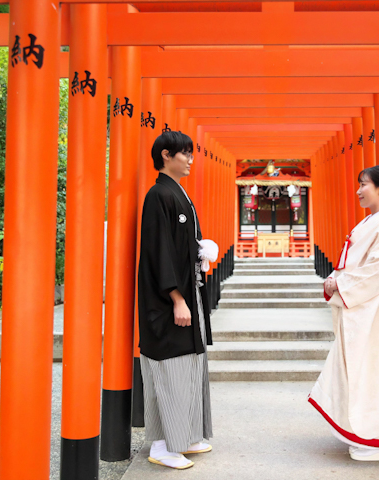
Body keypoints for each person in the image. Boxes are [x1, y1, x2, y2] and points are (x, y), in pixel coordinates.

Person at [308, 165, 379, 462]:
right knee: (364, 371)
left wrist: (339, 284)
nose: (358, 190)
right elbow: (360, 267)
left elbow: (377, 270)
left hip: (374, 314)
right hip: (366, 308)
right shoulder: (375, 223)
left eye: (364, 184)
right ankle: (365, 432)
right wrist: (338, 280)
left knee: (375, 372)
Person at [137, 129, 217, 470]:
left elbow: (182, 244)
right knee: (168, 368)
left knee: (189, 366)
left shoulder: (178, 194)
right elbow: (159, 251)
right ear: (166, 155)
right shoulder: (159, 195)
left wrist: (202, 248)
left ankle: (181, 436)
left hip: (188, 292)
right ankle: (162, 443)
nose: (190, 159)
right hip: (168, 299)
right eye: (185, 153)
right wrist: (176, 298)